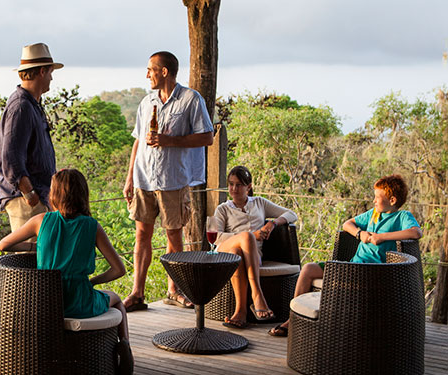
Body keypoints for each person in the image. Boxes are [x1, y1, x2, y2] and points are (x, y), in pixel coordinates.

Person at [0, 168, 133, 373]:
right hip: (80, 301)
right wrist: (93, 282)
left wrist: (35, 247)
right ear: (83, 195)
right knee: (118, 301)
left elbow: (3, 245)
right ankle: (125, 346)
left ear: (54, 195)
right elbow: (118, 270)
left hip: (46, 305)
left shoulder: (41, 221)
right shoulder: (92, 226)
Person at [268, 174, 422, 337]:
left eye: (378, 197)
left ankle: (326, 324)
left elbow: (416, 232)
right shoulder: (373, 214)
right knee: (308, 269)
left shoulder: (402, 217)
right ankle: (293, 319)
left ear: (392, 200)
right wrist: (359, 233)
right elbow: (347, 224)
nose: (374, 201)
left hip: (371, 273)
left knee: (332, 276)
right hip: (351, 266)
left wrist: (381, 237)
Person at [122, 51, 214, 311]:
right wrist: (130, 178)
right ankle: (137, 293)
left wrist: (170, 141)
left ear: (164, 71)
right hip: (144, 178)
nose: (147, 74)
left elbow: (207, 137)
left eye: (150, 69)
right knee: (142, 234)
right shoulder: (146, 101)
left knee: (174, 235)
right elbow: (138, 140)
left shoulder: (190, 99)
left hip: (172, 179)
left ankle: (174, 290)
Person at [211, 166, 298, 328]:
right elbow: (217, 238)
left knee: (239, 250)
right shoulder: (222, 209)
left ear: (248, 186)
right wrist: (249, 236)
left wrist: (272, 223)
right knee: (246, 237)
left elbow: (291, 214)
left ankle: (240, 312)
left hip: (252, 256)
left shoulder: (259, 203)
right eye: (231, 184)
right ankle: (257, 295)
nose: (234, 188)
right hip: (225, 251)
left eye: (239, 185)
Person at [0, 42, 61, 250]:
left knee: (41, 259)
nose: (52, 77)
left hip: (38, 196)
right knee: (30, 264)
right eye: (50, 72)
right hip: (26, 200)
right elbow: (11, 156)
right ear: (42, 71)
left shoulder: (31, 104)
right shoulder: (21, 106)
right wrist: (29, 193)